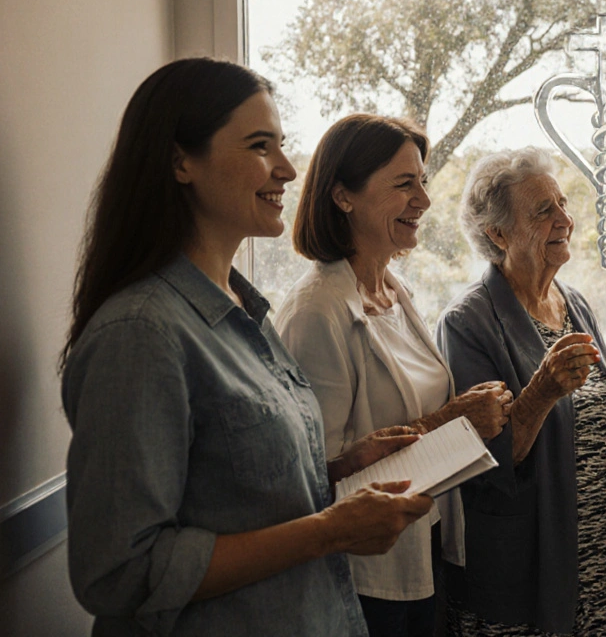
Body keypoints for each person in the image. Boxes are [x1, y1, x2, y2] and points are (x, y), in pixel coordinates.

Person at [60, 58, 435, 636]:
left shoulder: (243, 310)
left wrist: (338, 470)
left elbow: (237, 492)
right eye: (261, 146)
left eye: (282, 146)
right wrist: (331, 529)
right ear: (180, 161)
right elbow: (118, 571)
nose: (286, 169)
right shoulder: (141, 333)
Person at [275, 113, 514, 637]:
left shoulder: (394, 291)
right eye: (405, 183)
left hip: (422, 543)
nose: (424, 200)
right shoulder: (316, 313)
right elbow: (317, 475)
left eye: (423, 181)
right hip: (362, 575)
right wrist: (452, 419)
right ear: (343, 197)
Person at [434, 147, 606, 636]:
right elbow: (480, 460)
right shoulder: (468, 322)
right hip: (526, 574)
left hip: (597, 563)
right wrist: (543, 390)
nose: (564, 219)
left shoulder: (574, 303)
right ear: (498, 233)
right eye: (543, 211)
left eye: (563, 204)